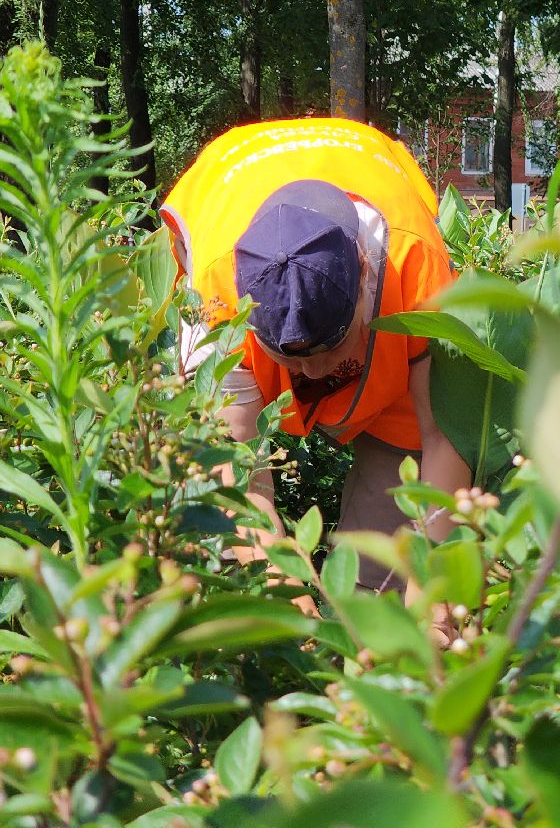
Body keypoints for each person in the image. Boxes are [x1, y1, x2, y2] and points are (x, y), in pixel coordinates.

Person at [160, 117, 470, 599]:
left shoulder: (416, 268)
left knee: (388, 578)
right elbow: (238, 468)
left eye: (331, 347)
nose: (313, 373)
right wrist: (281, 580)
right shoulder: (216, 293)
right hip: (228, 194)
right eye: (288, 358)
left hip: (393, 351)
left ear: (364, 274)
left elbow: (442, 434)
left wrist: (430, 588)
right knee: (231, 549)